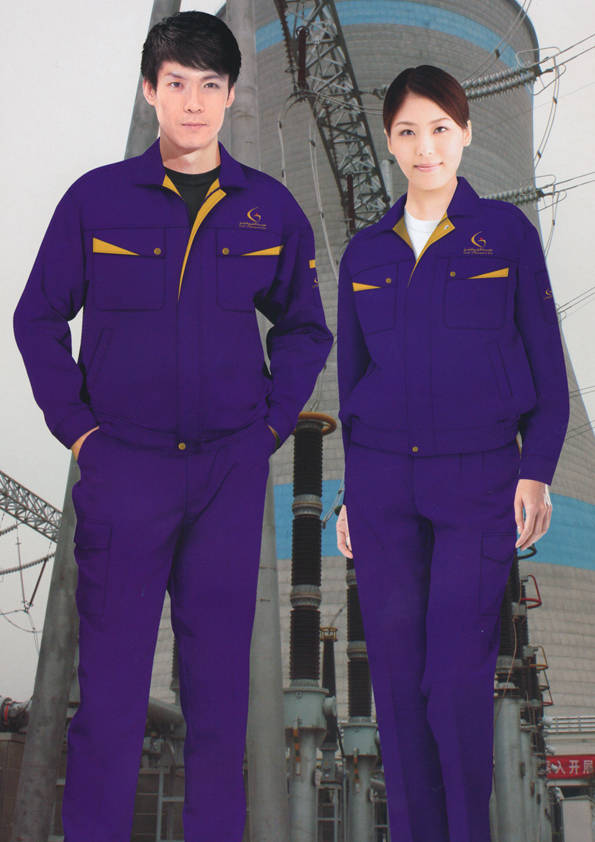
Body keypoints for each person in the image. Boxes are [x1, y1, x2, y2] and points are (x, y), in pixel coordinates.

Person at [13, 11, 332, 841]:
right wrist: (79, 430)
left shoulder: (267, 210)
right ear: (151, 90)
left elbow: (305, 328)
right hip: (126, 469)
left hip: (228, 473)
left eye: (210, 86)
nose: (193, 103)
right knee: (110, 701)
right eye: (177, 84)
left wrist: (268, 427)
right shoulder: (96, 201)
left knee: (220, 703)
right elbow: (37, 317)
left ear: (230, 96)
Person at [335, 65, 568, 842]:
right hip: (381, 485)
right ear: (388, 141)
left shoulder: (503, 237)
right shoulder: (365, 254)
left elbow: (547, 372)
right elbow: (353, 383)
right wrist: (349, 492)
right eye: (407, 131)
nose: (425, 146)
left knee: (455, 680)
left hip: (477, 480)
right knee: (397, 687)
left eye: (439, 128)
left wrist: (535, 469)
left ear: (465, 132)